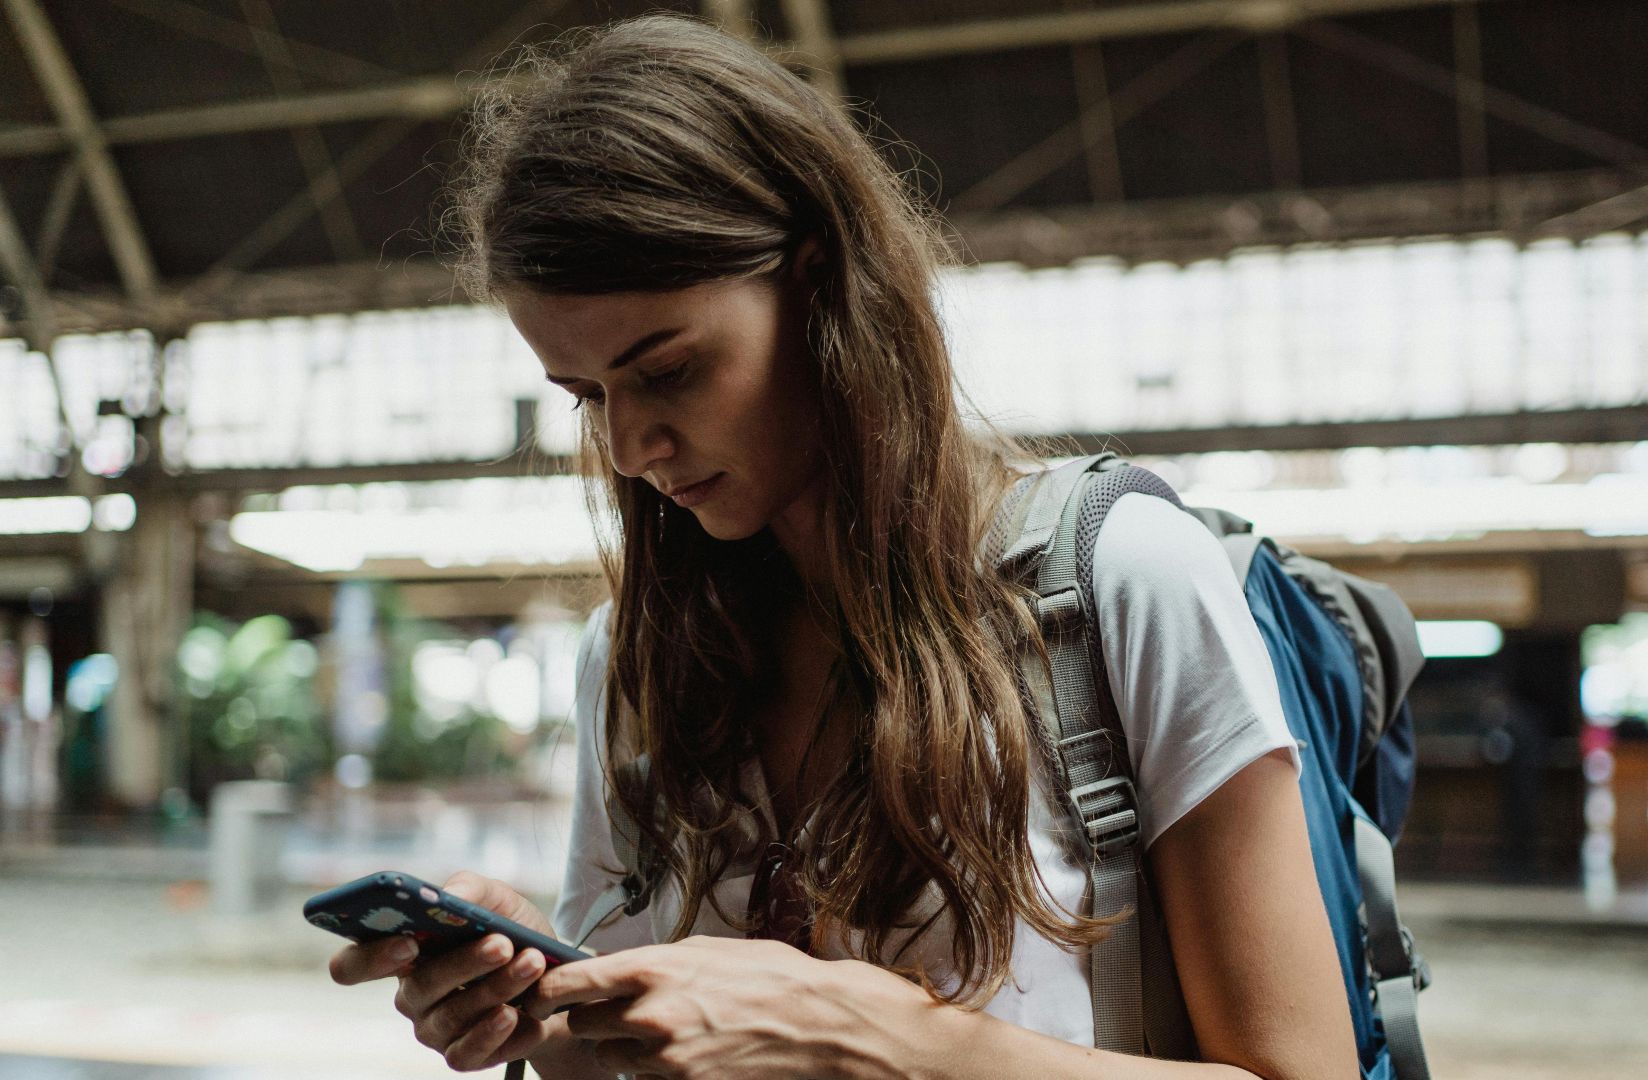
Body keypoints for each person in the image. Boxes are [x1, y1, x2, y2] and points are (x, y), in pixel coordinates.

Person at [325, 13, 1351, 1078]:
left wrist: (869, 1037)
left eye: (669, 369)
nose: (630, 447)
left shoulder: (1118, 581)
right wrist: (547, 1011)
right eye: (587, 396)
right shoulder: (629, 660)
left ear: (819, 283)